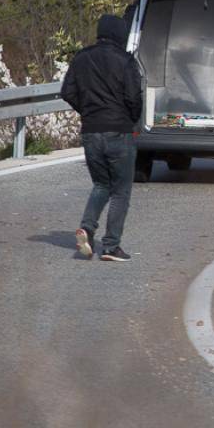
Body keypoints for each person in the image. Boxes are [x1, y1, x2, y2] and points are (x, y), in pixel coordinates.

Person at [60, 14, 143, 261]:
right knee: (120, 191)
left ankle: (87, 228)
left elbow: (67, 92)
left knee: (100, 185)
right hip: (119, 131)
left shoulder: (81, 58)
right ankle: (110, 246)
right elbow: (134, 98)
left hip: (91, 132)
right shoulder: (125, 61)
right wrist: (130, 119)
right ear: (119, 35)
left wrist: (88, 111)